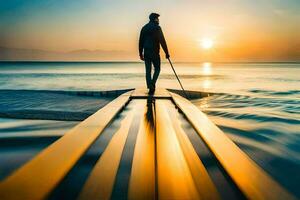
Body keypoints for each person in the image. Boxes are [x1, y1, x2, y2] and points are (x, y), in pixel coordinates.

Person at [139, 13, 170, 94]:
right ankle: (152, 84)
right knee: (158, 69)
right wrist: (167, 53)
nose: (158, 20)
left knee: (148, 71)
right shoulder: (157, 28)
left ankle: (150, 86)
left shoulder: (144, 28)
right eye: (157, 18)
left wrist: (140, 53)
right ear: (155, 19)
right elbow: (162, 41)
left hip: (146, 52)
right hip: (155, 52)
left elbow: (140, 41)